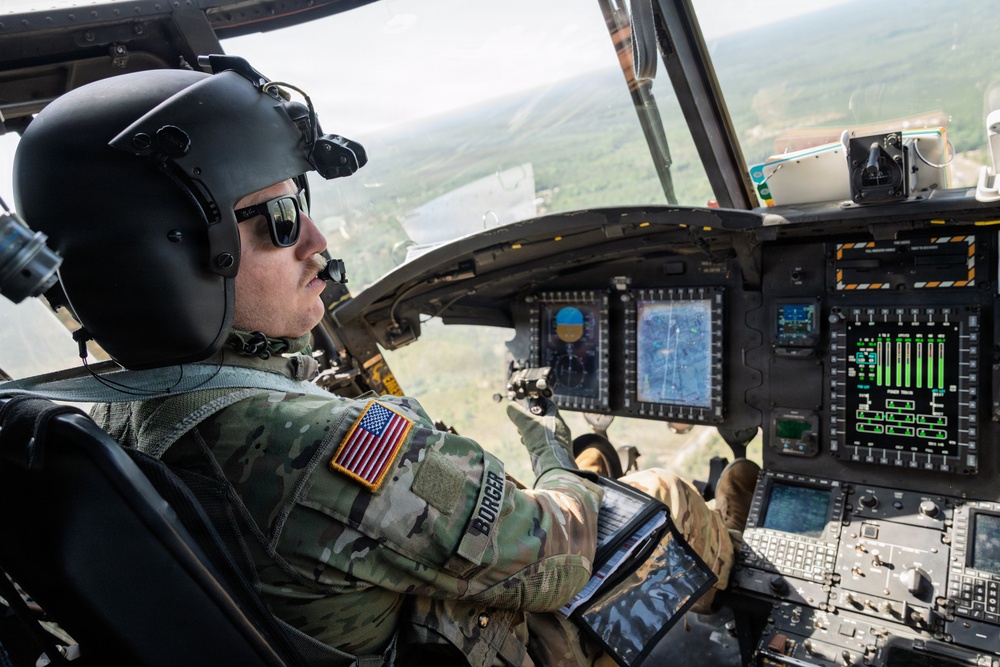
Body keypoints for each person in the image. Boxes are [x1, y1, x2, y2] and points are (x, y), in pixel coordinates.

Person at [11, 57, 759, 666]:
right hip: (481, 641)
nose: (316, 242)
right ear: (168, 262)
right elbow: (557, 553)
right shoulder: (319, 446)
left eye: (300, 202)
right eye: (278, 219)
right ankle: (731, 556)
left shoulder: (80, 421)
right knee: (662, 491)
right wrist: (552, 452)